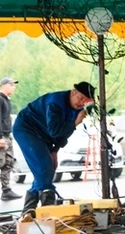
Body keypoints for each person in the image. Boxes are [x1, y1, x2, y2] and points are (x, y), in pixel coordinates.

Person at [12, 82, 95, 213]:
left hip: (45, 134)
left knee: (48, 168)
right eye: (81, 98)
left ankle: (29, 210)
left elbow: (64, 132)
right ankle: (47, 209)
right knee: (44, 167)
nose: (81, 103)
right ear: (73, 92)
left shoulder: (77, 109)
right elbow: (56, 131)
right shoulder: (55, 102)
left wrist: (55, 151)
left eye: (86, 101)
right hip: (27, 129)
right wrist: (75, 122)